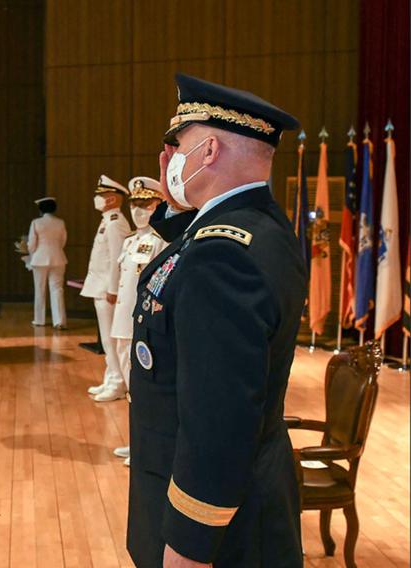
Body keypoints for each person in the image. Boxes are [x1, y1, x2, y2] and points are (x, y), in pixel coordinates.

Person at [126, 73, 306, 567]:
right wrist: (175, 199)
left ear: (206, 152)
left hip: (221, 533)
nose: (169, 159)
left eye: (178, 145)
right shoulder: (260, 228)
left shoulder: (221, 257)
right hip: (249, 503)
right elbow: (184, 245)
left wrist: (189, 545)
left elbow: (219, 421)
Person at [107, 177, 166, 461]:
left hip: (138, 324)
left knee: (142, 390)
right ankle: (135, 442)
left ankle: (145, 447)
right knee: (132, 390)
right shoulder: (131, 240)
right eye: (135, 205)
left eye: (146, 205)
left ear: (158, 205)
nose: (138, 212)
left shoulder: (159, 242)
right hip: (122, 321)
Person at [82, 175, 131, 398]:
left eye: (101, 196)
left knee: (111, 339)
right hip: (100, 286)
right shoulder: (107, 221)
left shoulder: (115, 222)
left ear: (111, 199)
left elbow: (116, 258)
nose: (97, 199)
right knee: (106, 339)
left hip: (107, 289)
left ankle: (117, 383)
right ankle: (110, 377)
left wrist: (113, 289)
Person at [27, 197, 68, 329]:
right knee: (57, 289)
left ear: (41, 209)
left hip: (39, 259)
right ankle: (60, 321)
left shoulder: (36, 222)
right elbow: (63, 241)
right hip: (58, 258)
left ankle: (39, 320)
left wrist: (31, 255)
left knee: (39, 290)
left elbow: (32, 243)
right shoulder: (60, 222)